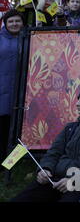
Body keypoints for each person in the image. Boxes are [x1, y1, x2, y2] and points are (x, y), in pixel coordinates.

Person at [10, 84, 80, 202]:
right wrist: (45, 169)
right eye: (78, 99)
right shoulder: (71, 127)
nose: (78, 103)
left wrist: (73, 180)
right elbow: (54, 152)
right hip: (54, 178)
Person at [0, 10, 25, 163]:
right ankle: (2, 159)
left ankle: (14, 162)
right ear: (5, 23)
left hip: (22, 91)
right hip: (3, 89)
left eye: (18, 21)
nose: (14, 24)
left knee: (21, 128)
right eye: (11, 21)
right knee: (3, 126)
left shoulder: (28, 37)